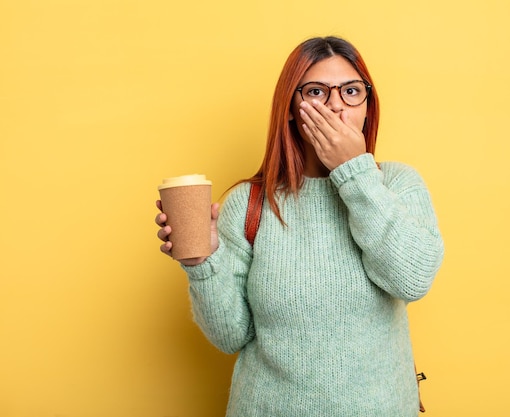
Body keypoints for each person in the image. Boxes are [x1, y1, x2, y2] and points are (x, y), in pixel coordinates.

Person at [155, 36, 444, 416]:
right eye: (317, 92)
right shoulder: (249, 202)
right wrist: (203, 263)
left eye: (351, 91)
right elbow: (231, 337)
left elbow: (412, 279)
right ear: (291, 108)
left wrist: (354, 171)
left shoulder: (397, 184)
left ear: (367, 108)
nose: (336, 104)